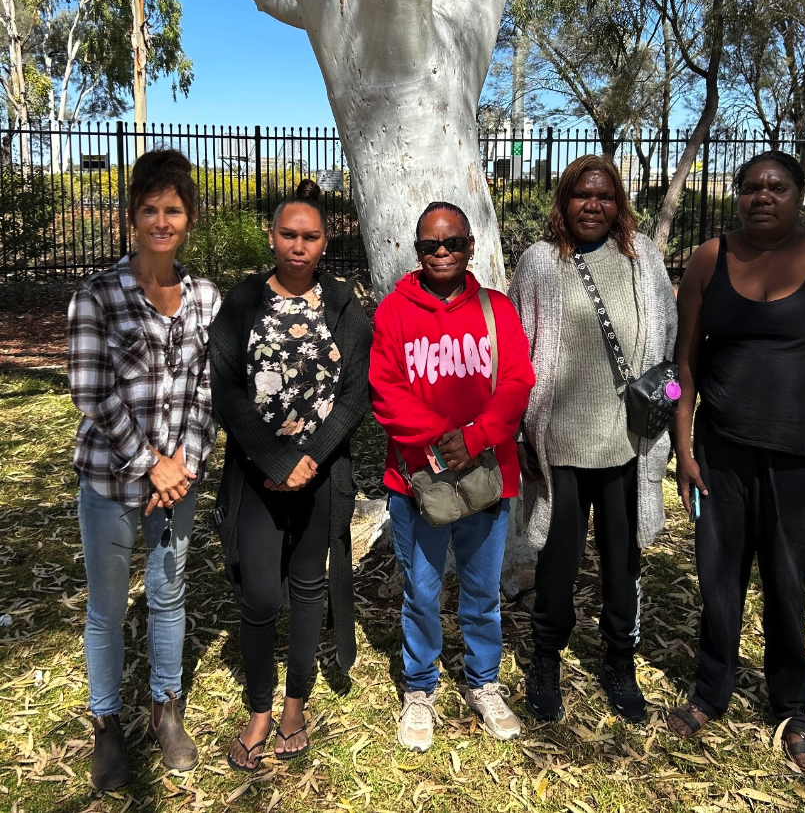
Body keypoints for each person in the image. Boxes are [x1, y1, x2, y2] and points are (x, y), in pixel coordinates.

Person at [668, 150, 805, 771]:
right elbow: (684, 364)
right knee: (718, 574)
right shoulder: (711, 259)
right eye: (750, 186)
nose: (762, 196)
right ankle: (712, 689)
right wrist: (684, 447)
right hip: (720, 451)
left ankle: (793, 704)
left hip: (803, 459)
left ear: (799, 193)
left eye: (776, 187)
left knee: (788, 583)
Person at [68, 149, 220, 790]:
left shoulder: (204, 297)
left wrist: (181, 462)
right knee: (106, 606)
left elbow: (207, 388)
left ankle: (165, 706)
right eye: (152, 209)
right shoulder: (98, 295)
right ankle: (106, 722)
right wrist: (150, 464)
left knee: (168, 595)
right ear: (132, 216)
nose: (163, 221)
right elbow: (90, 390)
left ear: (188, 219)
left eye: (175, 210)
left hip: (176, 482)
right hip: (111, 480)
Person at [508, 154, 677, 724]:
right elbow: (515, 350)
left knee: (621, 564)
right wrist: (518, 432)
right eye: (582, 195)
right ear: (564, 200)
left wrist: (668, 420)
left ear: (618, 204)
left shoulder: (643, 260)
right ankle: (547, 664)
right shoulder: (538, 263)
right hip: (558, 449)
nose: (593, 205)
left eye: (605, 196)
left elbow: (668, 346)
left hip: (628, 445)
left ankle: (619, 664)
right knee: (556, 566)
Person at [209, 179, 372, 772]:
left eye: (310, 236)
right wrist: (275, 461)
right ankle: (257, 710)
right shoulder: (244, 300)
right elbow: (225, 388)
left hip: (321, 474)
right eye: (288, 234)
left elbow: (357, 395)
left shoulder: (344, 304)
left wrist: (310, 459)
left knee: (308, 589)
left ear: (326, 240)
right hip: (257, 474)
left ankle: (294, 704)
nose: (298, 246)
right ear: (270, 235)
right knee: (257, 596)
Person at [369, 202, 535, 752]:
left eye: (452, 243)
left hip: (486, 472)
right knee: (421, 590)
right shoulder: (394, 311)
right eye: (429, 245)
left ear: (470, 245)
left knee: (482, 591)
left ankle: (482, 682)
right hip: (418, 478)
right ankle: (420, 688)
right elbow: (385, 390)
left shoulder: (497, 310)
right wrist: (446, 436)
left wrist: (477, 435)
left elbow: (517, 381)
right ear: (416, 250)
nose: (441, 253)